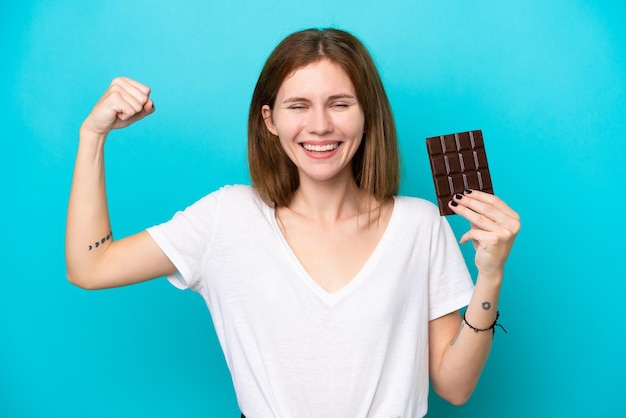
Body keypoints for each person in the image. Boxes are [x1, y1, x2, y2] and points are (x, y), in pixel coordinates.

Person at [66, 28, 520, 418]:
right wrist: (93, 135)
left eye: (340, 104)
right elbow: (91, 267)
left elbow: (454, 387)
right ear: (270, 120)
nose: (319, 125)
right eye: (298, 106)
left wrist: (491, 274)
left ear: (366, 116)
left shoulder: (420, 225)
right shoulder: (228, 217)